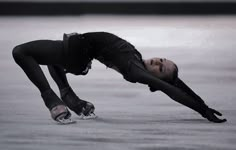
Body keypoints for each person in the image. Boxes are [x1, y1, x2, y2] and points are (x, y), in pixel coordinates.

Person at [12, 32, 227, 124]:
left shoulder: (136, 70)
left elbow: (172, 89)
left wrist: (203, 111)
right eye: (162, 59)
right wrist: (202, 103)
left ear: (156, 81)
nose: (158, 62)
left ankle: (51, 99)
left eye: (161, 69)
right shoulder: (136, 59)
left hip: (79, 50)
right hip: (80, 53)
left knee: (20, 52)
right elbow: (176, 83)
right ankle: (70, 98)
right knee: (52, 59)